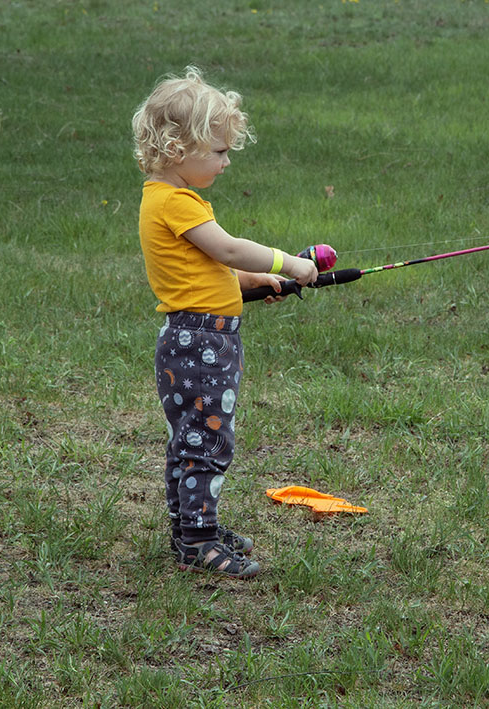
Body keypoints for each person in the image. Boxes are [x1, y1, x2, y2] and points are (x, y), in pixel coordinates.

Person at [132, 66, 318, 579]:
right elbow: (230, 248)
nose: (226, 161)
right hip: (199, 345)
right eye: (217, 151)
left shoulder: (168, 201)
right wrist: (287, 262)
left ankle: (194, 526)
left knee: (193, 438)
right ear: (176, 149)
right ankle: (196, 540)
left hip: (197, 338)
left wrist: (259, 283)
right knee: (206, 440)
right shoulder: (176, 202)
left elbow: (216, 271)